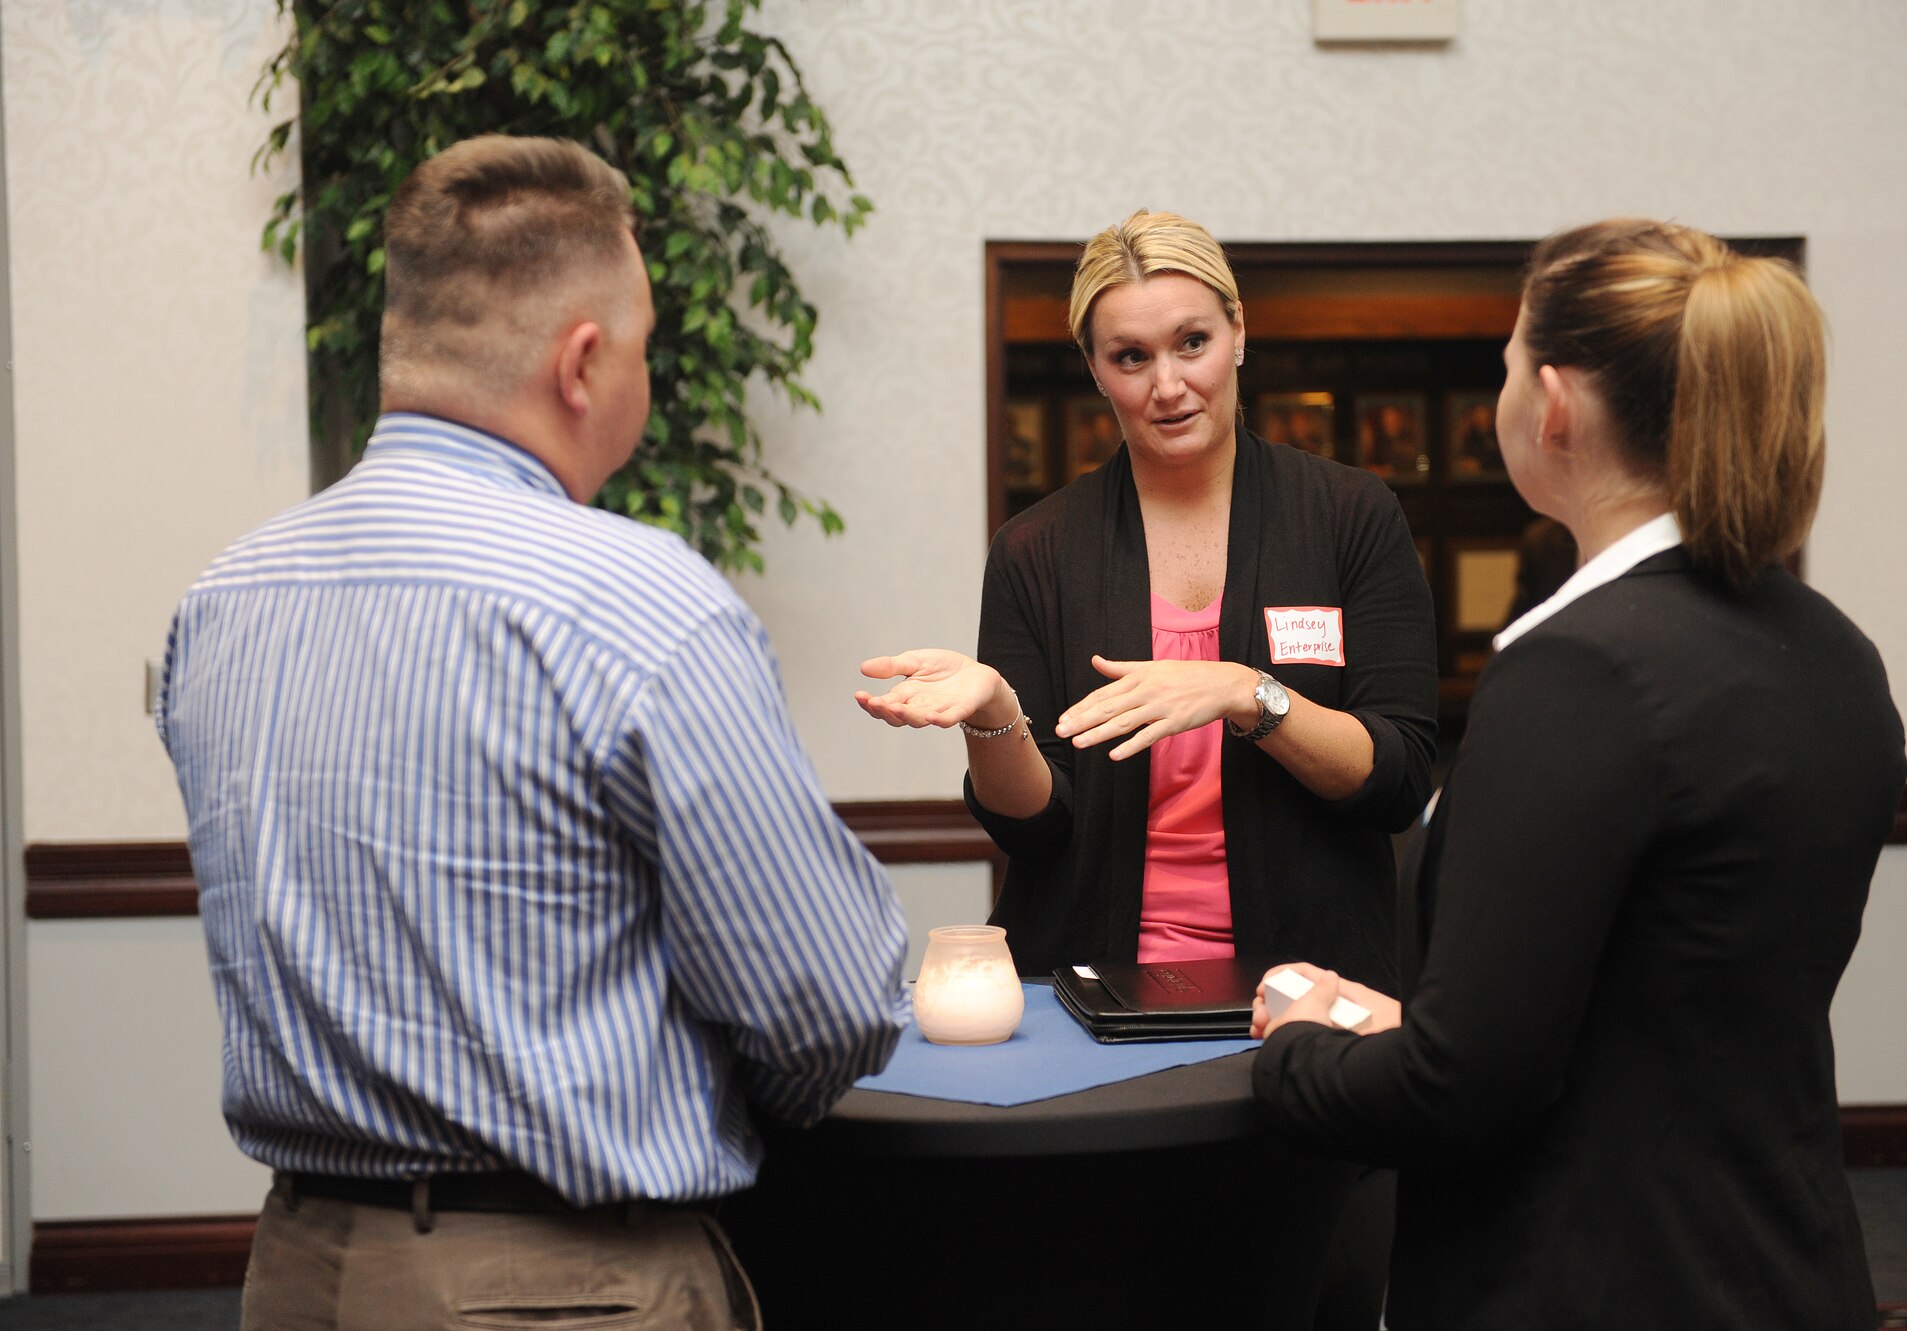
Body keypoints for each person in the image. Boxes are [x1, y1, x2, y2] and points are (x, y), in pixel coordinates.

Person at [154, 135, 908, 1331]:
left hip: (297, 1267)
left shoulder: (225, 598)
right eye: (646, 350)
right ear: (583, 361)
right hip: (555, 1283)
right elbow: (823, 1001)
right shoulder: (635, 601)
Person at [1251, 218, 1906, 1330]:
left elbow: (1459, 1094)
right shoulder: (1833, 650)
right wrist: (1410, 1020)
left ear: (1550, 402)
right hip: (1782, 1264)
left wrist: (1290, 1048)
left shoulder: (1578, 670)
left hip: (1592, 1277)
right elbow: (1663, 993)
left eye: (1503, 362)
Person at [857, 208, 1436, 986]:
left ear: (1238, 330)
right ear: (1096, 370)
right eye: (1131, 357)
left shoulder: (1348, 517)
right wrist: (995, 713)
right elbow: (1035, 828)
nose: (1169, 386)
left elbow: (1396, 778)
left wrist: (1243, 691)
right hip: (1093, 988)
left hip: (1307, 990)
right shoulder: (1039, 549)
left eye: (1192, 343)